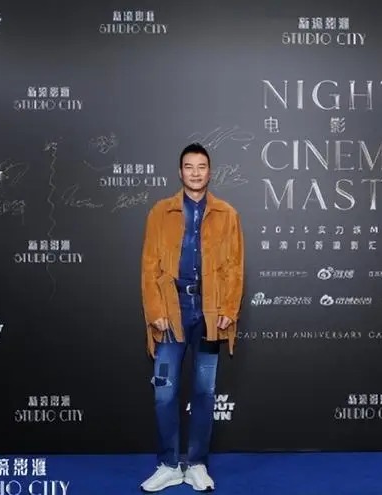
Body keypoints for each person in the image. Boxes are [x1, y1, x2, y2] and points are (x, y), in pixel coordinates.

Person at [139, 143, 244, 492]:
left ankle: (197, 464)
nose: (195, 173)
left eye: (201, 167)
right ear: (180, 172)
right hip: (171, 310)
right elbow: (149, 266)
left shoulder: (227, 214)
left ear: (210, 172)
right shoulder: (161, 212)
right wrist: (156, 311)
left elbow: (235, 267)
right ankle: (169, 465)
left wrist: (228, 309)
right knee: (164, 392)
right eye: (189, 166)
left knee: (204, 391)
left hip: (210, 313)